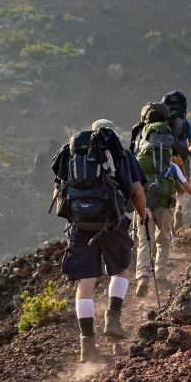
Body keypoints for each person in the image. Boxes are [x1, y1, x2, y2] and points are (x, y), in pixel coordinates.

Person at [51, 119, 151, 362]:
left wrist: (78, 214)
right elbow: (137, 192)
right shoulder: (121, 153)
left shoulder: (71, 154)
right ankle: (112, 319)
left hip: (79, 226)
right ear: (111, 133)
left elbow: (58, 193)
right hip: (111, 222)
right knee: (120, 272)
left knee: (86, 281)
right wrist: (142, 214)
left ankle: (87, 345)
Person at [133, 116, 191, 297]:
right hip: (164, 207)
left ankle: (142, 277)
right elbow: (189, 191)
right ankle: (161, 278)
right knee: (163, 241)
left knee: (144, 242)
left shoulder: (138, 163)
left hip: (143, 208)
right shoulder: (171, 165)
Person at [162, 91, 191, 230]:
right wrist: (188, 151)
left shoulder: (164, 123)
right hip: (181, 159)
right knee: (181, 191)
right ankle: (179, 211)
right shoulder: (186, 122)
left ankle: (170, 217)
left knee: (169, 191)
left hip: (166, 159)